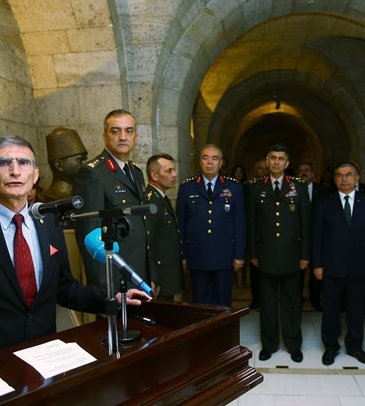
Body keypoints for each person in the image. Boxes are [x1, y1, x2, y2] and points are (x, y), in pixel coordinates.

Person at [0, 135, 150, 355]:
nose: (15, 171)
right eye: (3, 163)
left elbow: (65, 289)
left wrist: (111, 299)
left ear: (35, 176)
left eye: (24, 163)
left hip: (44, 358)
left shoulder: (50, 223)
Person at [72, 109, 152, 292]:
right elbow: (90, 238)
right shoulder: (93, 173)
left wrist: (149, 275)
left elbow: (143, 227)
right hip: (117, 281)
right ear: (105, 136)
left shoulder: (136, 173)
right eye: (115, 131)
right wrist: (107, 290)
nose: (123, 137)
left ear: (136, 137)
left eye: (129, 131)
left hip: (139, 276)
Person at [312, 162, 365, 366]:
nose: (344, 179)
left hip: (360, 266)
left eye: (348, 175)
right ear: (334, 179)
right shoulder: (325, 202)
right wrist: (317, 264)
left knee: (356, 308)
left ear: (357, 178)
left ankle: (355, 346)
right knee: (331, 309)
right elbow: (317, 235)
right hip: (332, 266)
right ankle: (331, 347)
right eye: (340, 175)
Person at [246, 144, 311, 363]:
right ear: (267, 160)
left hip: (292, 256)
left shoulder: (298, 188)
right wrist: (253, 253)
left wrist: (305, 254)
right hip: (265, 256)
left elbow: (305, 224)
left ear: (287, 163)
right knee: (268, 302)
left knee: (292, 302)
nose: (276, 162)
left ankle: (293, 344)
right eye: (272, 158)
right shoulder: (255, 188)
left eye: (280, 159)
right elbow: (252, 224)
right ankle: (269, 344)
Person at [176, 144, 246, 305]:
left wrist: (239, 255)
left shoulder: (233, 188)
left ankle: (223, 331)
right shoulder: (187, 188)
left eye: (215, 158)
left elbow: (240, 224)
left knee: (223, 303)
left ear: (221, 163)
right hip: (197, 255)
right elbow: (181, 225)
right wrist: (183, 255)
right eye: (205, 158)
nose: (210, 162)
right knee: (200, 303)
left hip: (225, 256)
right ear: (199, 161)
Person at [145, 154, 183, 301]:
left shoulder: (161, 198)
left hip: (168, 275)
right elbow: (148, 243)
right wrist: (153, 277)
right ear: (154, 175)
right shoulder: (151, 201)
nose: (174, 175)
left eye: (174, 170)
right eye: (169, 171)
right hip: (159, 278)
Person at [297, 161, 325, 312]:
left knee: (316, 272)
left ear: (313, 174)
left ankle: (315, 300)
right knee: (297, 273)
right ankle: (298, 299)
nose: (304, 172)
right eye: (300, 170)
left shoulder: (322, 191)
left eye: (307, 170)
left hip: (316, 239)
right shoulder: (291, 190)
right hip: (297, 240)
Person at [41, 127, 88, 202]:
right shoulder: (52, 198)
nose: (85, 165)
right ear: (59, 165)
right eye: (80, 160)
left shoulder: (79, 193)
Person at [248, 158, 268, 309]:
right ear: (255, 171)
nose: (263, 171)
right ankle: (256, 300)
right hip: (256, 239)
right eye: (260, 168)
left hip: (270, 240)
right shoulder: (250, 188)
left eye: (265, 168)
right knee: (255, 275)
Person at [231, 164, 249, 289]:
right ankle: (234, 281)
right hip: (231, 225)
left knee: (243, 255)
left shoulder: (247, 187)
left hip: (244, 223)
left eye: (240, 171)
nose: (238, 174)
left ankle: (242, 281)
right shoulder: (229, 186)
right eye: (236, 171)